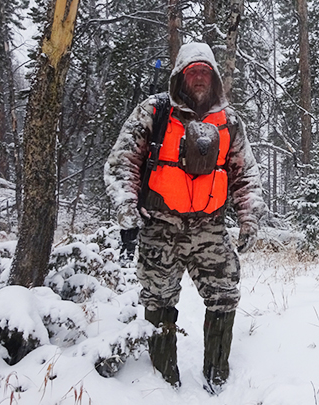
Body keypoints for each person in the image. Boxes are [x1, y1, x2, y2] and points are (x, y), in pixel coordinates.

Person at [103, 42, 265, 393]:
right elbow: (123, 161)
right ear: (180, 76)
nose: (199, 78)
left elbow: (245, 175)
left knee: (224, 294)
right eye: (193, 72)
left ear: (215, 78)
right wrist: (126, 208)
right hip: (160, 225)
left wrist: (249, 217)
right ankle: (162, 381)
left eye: (205, 72)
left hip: (210, 227)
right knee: (158, 297)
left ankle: (218, 377)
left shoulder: (230, 122)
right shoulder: (154, 111)